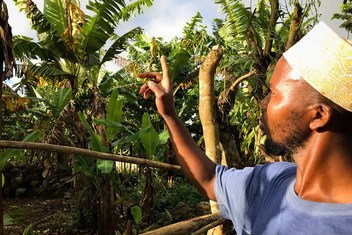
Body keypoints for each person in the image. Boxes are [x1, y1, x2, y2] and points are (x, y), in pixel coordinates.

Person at [139, 22, 352, 234]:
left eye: (274, 93)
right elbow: (210, 179)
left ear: (318, 116)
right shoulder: (272, 181)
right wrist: (169, 114)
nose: (263, 102)